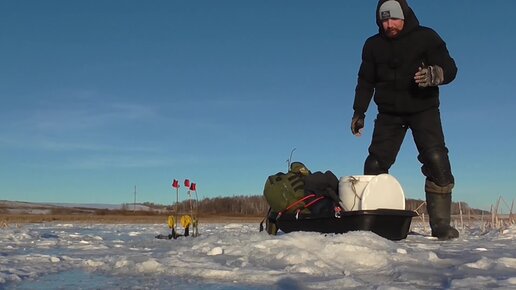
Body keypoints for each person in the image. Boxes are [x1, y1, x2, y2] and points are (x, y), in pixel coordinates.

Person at [350, 0, 459, 240]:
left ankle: (441, 226)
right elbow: (365, 81)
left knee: (436, 160)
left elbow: (450, 67)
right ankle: (376, 225)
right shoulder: (373, 46)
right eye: (384, 20)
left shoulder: (426, 37)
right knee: (375, 165)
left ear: (405, 16)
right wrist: (359, 111)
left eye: (394, 19)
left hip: (424, 109)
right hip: (389, 114)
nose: (389, 25)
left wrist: (435, 73)